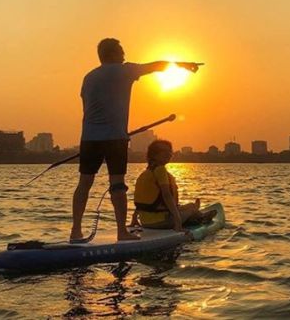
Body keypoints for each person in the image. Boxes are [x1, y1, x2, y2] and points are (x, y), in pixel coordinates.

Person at [70, 38, 200, 242]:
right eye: (121, 51)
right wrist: (183, 65)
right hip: (115, 139)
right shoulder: (125, 70)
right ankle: (122, 232)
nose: (124, 55)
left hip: (89, 138)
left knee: (84, 183)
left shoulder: (89, 77)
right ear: (112, 54)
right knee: (117, 184)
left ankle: (75, 231)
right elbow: (157, 66)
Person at [133, 139, 216, 231]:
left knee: (191, 205)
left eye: (170, 151)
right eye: (164, 151)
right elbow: (166, 195)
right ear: (154, 155)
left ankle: (195, 212)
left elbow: (144, 199)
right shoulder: (160, 170)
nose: (169, 154)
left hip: (145, 222)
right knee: (192, 209)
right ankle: (200, 217)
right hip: (162, 221)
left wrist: (134, 219)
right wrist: (177, 221)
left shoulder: (146, 173)